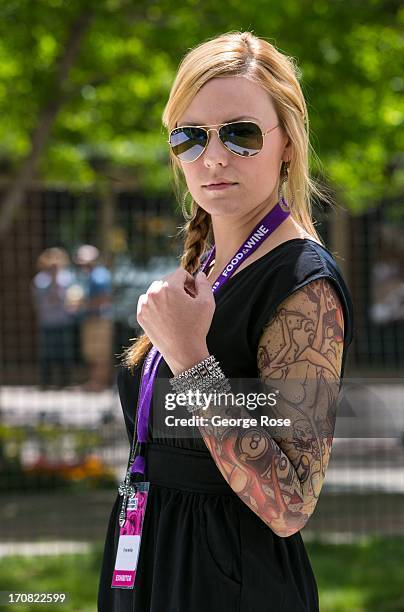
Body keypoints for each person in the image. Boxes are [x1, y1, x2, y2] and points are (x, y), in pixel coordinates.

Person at [98, 31, 354, 611]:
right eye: (190, 137)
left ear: (286, 141)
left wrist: (191, 360)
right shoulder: (210, 263)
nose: (213, 157)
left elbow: (290, 506)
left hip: (228, 582)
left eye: (240, 133)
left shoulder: (302, 283)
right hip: (153, 557)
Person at [31, 247, 75, 389]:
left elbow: (70, 299)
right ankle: (45, 382)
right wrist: (53, 281)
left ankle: (65, 382)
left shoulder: (68, 278)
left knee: (65, 353)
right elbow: (42, 301)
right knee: (46, 353)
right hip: (47, 322)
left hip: (63, 321)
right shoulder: (40, 280)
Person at [72, 245, 114, 391]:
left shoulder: (99, 275)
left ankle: (99, 384)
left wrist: (82, 305)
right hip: (91, 319)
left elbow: (104, 299)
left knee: (100, 353)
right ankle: (95, 382)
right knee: (92, 353)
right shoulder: (89, 275)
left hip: (99, 320)